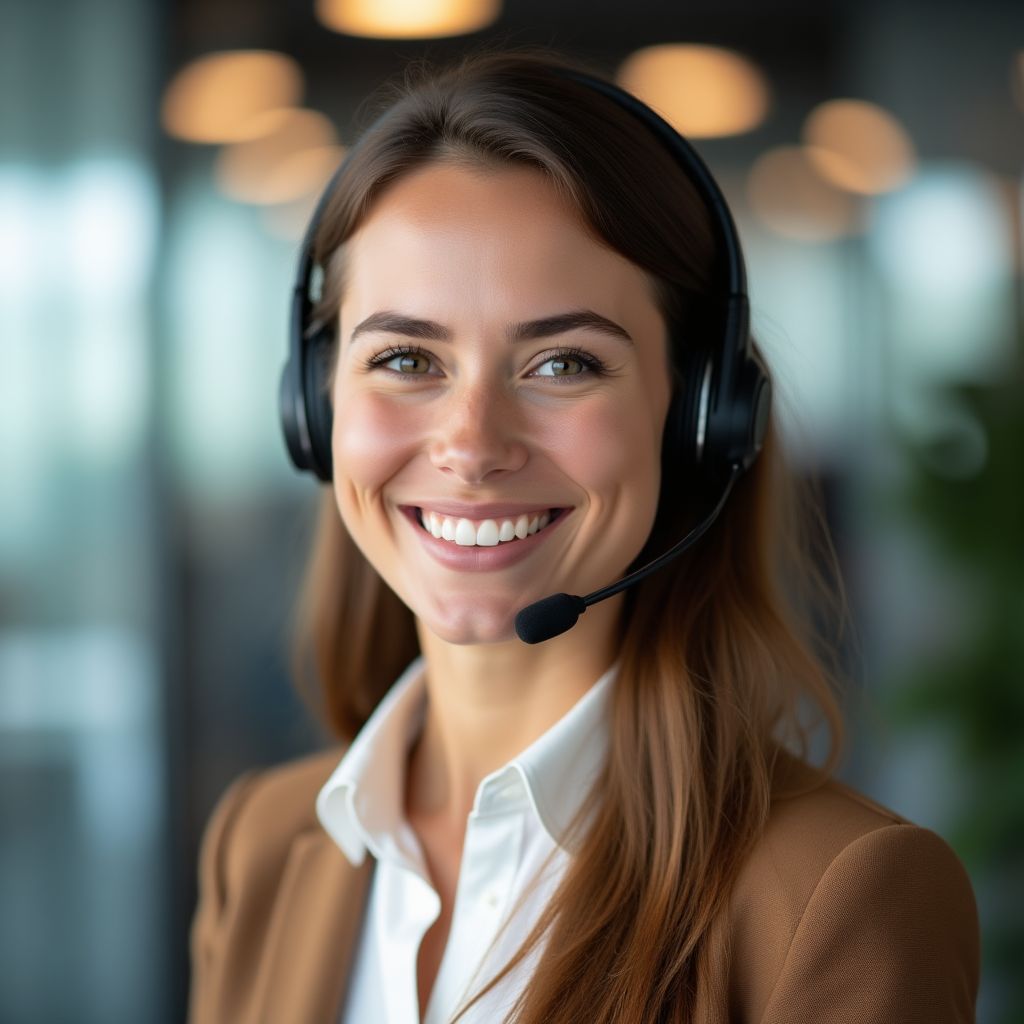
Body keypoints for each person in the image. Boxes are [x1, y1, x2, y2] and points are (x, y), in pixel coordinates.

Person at [188, 48, 980, 1024]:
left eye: (563, 363)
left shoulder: (839, 896)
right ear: (314, 407)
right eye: (404, 357)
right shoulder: (261, 843)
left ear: (697, 419)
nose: (472, 445)